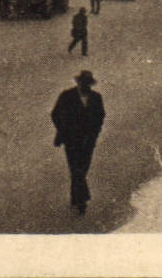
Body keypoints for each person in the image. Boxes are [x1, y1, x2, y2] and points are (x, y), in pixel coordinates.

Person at [50, 69, 106, 215]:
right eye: (83, 83)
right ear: (79, 83)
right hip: (71, 139)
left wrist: (95, 133)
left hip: (88, 140)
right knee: (76, 170)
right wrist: (63, 130)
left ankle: (77, 198)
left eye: (88, 84)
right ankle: (82, 201)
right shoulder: (67, 96)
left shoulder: (96, 98)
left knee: (82, 169)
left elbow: (100, 117)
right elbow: (55, 114)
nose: (85, 86)